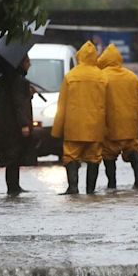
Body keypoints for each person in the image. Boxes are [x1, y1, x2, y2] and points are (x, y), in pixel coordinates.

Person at [51, 41, 108, 194]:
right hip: (95, 126)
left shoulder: (70, 76)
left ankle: (73, 188)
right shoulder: (102, 76)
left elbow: (61, 105)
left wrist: (56, 131)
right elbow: (108, 104)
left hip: (74, 126)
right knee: (94, 157)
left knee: (71, 156)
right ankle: (91, 190)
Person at [97, 43, 138, 189]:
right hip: (130, 125)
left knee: (108, 155)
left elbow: (97, 103)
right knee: (133, 149)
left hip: (109, 126)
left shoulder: (101, 78)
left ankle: (112, 184)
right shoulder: (132, 77)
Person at [0, 55, 35, 196]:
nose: (30, 64)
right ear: (21, 63)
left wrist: (28, 93)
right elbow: (19, 104)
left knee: (13, 157)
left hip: (6, 125)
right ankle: (13, 187)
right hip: (14, 126)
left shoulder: (7, 80)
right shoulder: (18, 81)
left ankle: (14, 185)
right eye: (27, 61)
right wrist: (24, 124)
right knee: (14, 157)